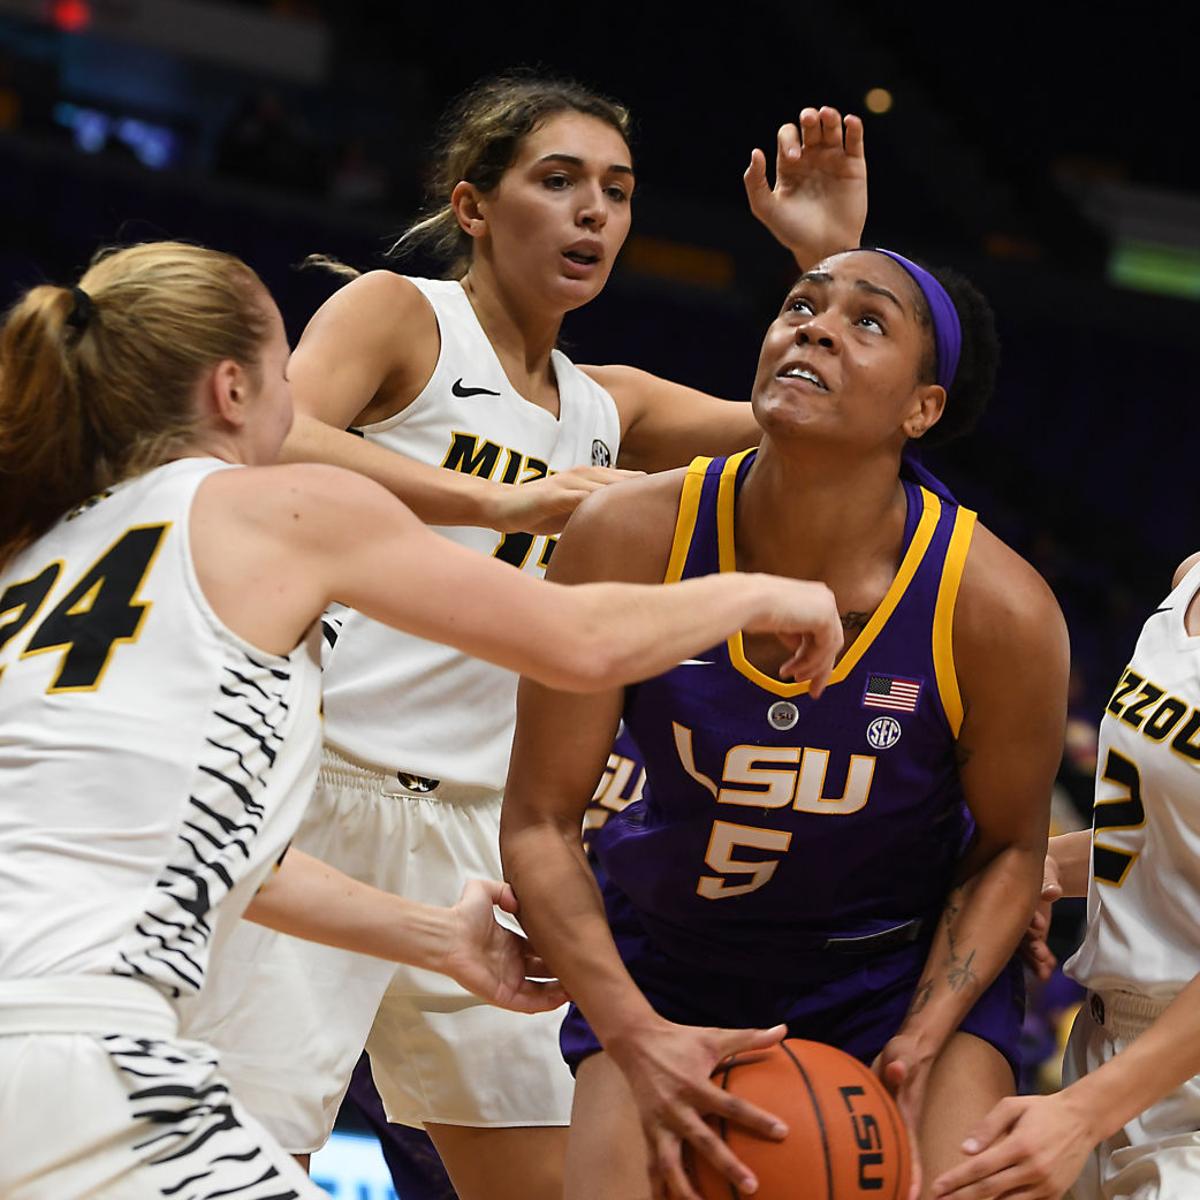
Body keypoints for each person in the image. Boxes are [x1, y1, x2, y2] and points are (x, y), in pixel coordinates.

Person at [0, 240, 846, 1198]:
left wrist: (435, 937)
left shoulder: (37, 552)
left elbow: (228, 856)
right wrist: (764, 594)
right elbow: (576, 640)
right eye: (284, 371)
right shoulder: (277, 508)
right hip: (83, 1051)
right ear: (233, 392)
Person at [185, 71, 869, 1199]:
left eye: (618, 191)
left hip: (485, 842)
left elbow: (815, 427)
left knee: (553, 1184)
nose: (593, 210)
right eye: (558, 181)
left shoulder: (609, 403)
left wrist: (826, 259)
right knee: (243, 1172)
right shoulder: (403, 315)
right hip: (317, 803)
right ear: (472, 206)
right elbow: (275, 434)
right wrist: (496, 501)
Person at [500, 247, 1071, 1200]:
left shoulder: (996, 608)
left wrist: (924, 1035)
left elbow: (1013, 847)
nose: (814, 330)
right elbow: (539, 821)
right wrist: (634, 1032)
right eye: (801, 306)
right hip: (671, 966)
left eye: (866, 321)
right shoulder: (629, 536)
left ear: (922, 409)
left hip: (893, 967)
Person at [932, 552, 1200, 1200]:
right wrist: (1043, 864)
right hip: (1104, 1043)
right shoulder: (1190, 578)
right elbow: (1160, 838)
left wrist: (1082, 1113)